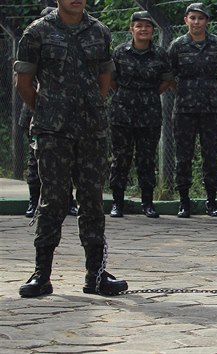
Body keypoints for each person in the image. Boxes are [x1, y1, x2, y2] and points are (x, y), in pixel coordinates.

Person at [14, 0, 128, 297]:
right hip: (53, 131)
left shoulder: (99, 32)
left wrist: (90, 107)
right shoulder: (37, 32)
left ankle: (96, 275)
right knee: (52, 200)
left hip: (92, 129)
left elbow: (105, 76)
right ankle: (42, 274)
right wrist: (48, 111)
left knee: (92, 200)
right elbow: (24, 82)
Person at [167, 3, 217, 218]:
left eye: (201, 18)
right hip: (184, 109)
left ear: (207, 21)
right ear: (186, 20)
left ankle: (211, 202)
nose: (196, 22)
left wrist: (213, 86)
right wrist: (184, 90)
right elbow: (169, 76)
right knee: (183, 157)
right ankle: (184, 202)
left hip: (211, 109)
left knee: (210, 156)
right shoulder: (177, 45)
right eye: (192, 18)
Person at [108, 11, 173, 219]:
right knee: (120, 158)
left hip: (149, 113)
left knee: (146, 159)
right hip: (122, 113)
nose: (143, 29)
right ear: (131, 29)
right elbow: (111, 79)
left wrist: (147, 94)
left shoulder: (160, 54)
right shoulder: (119, 52)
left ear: (153, 30)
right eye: (139, 25)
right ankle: (117, 203)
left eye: (147, 26)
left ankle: (147, 203)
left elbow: (165, 82)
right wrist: (127, 94)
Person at [20, 6, 78, 219]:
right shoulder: (31, 43)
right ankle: (34, 201)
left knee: (70, 159)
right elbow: (23, 82)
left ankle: (69, 201)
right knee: (36, 159)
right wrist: (41, 107)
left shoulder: (70, 47)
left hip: (68, 114)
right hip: (38, 112)